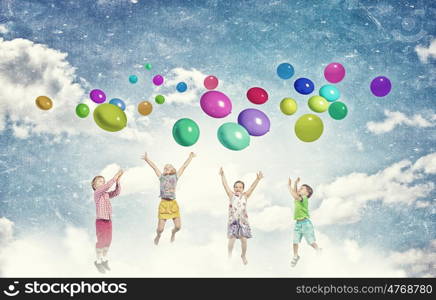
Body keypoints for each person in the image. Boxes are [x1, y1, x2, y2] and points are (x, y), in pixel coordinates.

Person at [142, 152, 196, 245]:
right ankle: (158, 236)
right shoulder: (161, 177)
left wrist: (190, 157)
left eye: (169, 166)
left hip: (173, 204)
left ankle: (173, 232)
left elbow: (184, 166)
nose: (166, 167)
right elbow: (154, 167)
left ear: (173, 170)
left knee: (178, 227)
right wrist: (147, 159)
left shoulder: (175, 177)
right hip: (163, 204)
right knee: (160, 229)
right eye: (165, 167)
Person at [219, 167, 263, 265]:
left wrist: (257, 179)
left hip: (243, 222)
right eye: (236, 187)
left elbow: (252, 187)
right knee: (232, 240)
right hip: (233, 222)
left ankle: (243, 255)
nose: (238, 188)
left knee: (244, 240)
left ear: (243, 189)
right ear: (234, 188)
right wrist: (222, 175)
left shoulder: (245, 196)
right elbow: (225, 185)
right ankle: (229, 255)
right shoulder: (231, 195)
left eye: (240, 187)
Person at [91, 169, 124, 273]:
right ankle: (98, 261)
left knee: (108, 241)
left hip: (108, 220)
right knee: (101, 241)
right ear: (95, 186)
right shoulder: (97, 193)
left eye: (103, 181)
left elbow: (116, 192)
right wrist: (115, 176)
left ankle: (104, 259)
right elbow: (107, 186)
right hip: (100, 221)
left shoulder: (105, 194)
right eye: (100, 181)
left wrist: (118, 181)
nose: (103, 182)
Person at [288, 177, 321, 267]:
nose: (299, 189)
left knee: (310, 241)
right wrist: (295, 184)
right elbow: (295, 193)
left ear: (307, 193)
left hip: (306, 223)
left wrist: (288, 186)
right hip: (298, 224)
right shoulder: (297, 199)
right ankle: (295, 256)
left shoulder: (304, 199)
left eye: (302, 188)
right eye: (299, 188)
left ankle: (318, 249)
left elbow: (294, 195)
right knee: (295, 241)